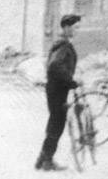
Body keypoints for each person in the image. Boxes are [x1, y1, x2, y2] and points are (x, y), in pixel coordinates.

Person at [34, 13, 81, 171]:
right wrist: (71, 81)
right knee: (57, 124)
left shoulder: (61, 43)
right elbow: (55, 66)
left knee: (55, 122)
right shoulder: (64, 45)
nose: (77, 30)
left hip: (55, 89)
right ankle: (47, 160)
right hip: (58, 90)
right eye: (75, 27)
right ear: (67, 27)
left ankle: (43, 158)